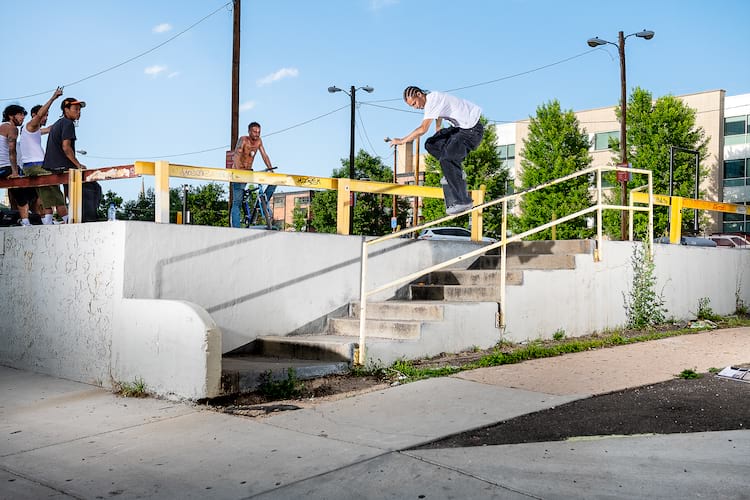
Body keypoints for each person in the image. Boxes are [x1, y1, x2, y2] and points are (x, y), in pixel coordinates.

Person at [390, 86, 483, 215]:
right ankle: (453, 171)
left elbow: (422, 129)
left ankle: (463, 201)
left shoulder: (432, 101)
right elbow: (439, 113)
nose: (416, 107)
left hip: (471, 132)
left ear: (419, 94)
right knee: (431, 143)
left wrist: (401, 141)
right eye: (412, 106)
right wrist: (438, 128)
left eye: (415, 103)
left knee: (446, 159)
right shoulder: (434, 98)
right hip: (460, 129)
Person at [20, 88, 64, 224]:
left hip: (37, 166)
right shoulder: (30, 126)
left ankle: (48, 221)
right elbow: (39, 116)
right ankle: (67, 218)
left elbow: (50, 128)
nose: (45, 118)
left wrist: (65, 118)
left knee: (46, 192)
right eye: (45, 115)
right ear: (35, 115)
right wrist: (53, 98)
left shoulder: (36, 131)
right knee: (54, 183)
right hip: (34, 165)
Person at [41, 96, 87, 223]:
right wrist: (78, 164)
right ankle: (74, 219)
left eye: (79, 110)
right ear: (66, 110)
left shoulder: (58, 123)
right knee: (77, 189)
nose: (78, 112)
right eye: (76, 109)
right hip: (61, 165)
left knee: (61, 196)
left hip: (51, 165)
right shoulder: (68, 123)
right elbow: (66, 148)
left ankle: (68, 219)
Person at [230, 121, 273, 228]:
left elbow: (264, 155)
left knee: (274, 182)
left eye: (259, 132)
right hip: (238, 173)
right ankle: (236, 227)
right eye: (254, 132)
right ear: (249, 131)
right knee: (237, 202)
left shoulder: (259, 142)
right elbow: (237, 155)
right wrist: (239, 171)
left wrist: (270, 169)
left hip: (248, 172)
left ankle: (261, 205)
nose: (257, 134)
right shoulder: (243, 140)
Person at [1, 104, 38, 225]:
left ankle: (23, 219)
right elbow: (12, 150)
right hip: (7, 167)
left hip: (2, 168)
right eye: (20, 114)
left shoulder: (1, 127)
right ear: (11, 116)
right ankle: (26, 221)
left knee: (19, 192)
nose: (23, 117)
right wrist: (15, 172)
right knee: (30, 190)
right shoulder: (12, 128)